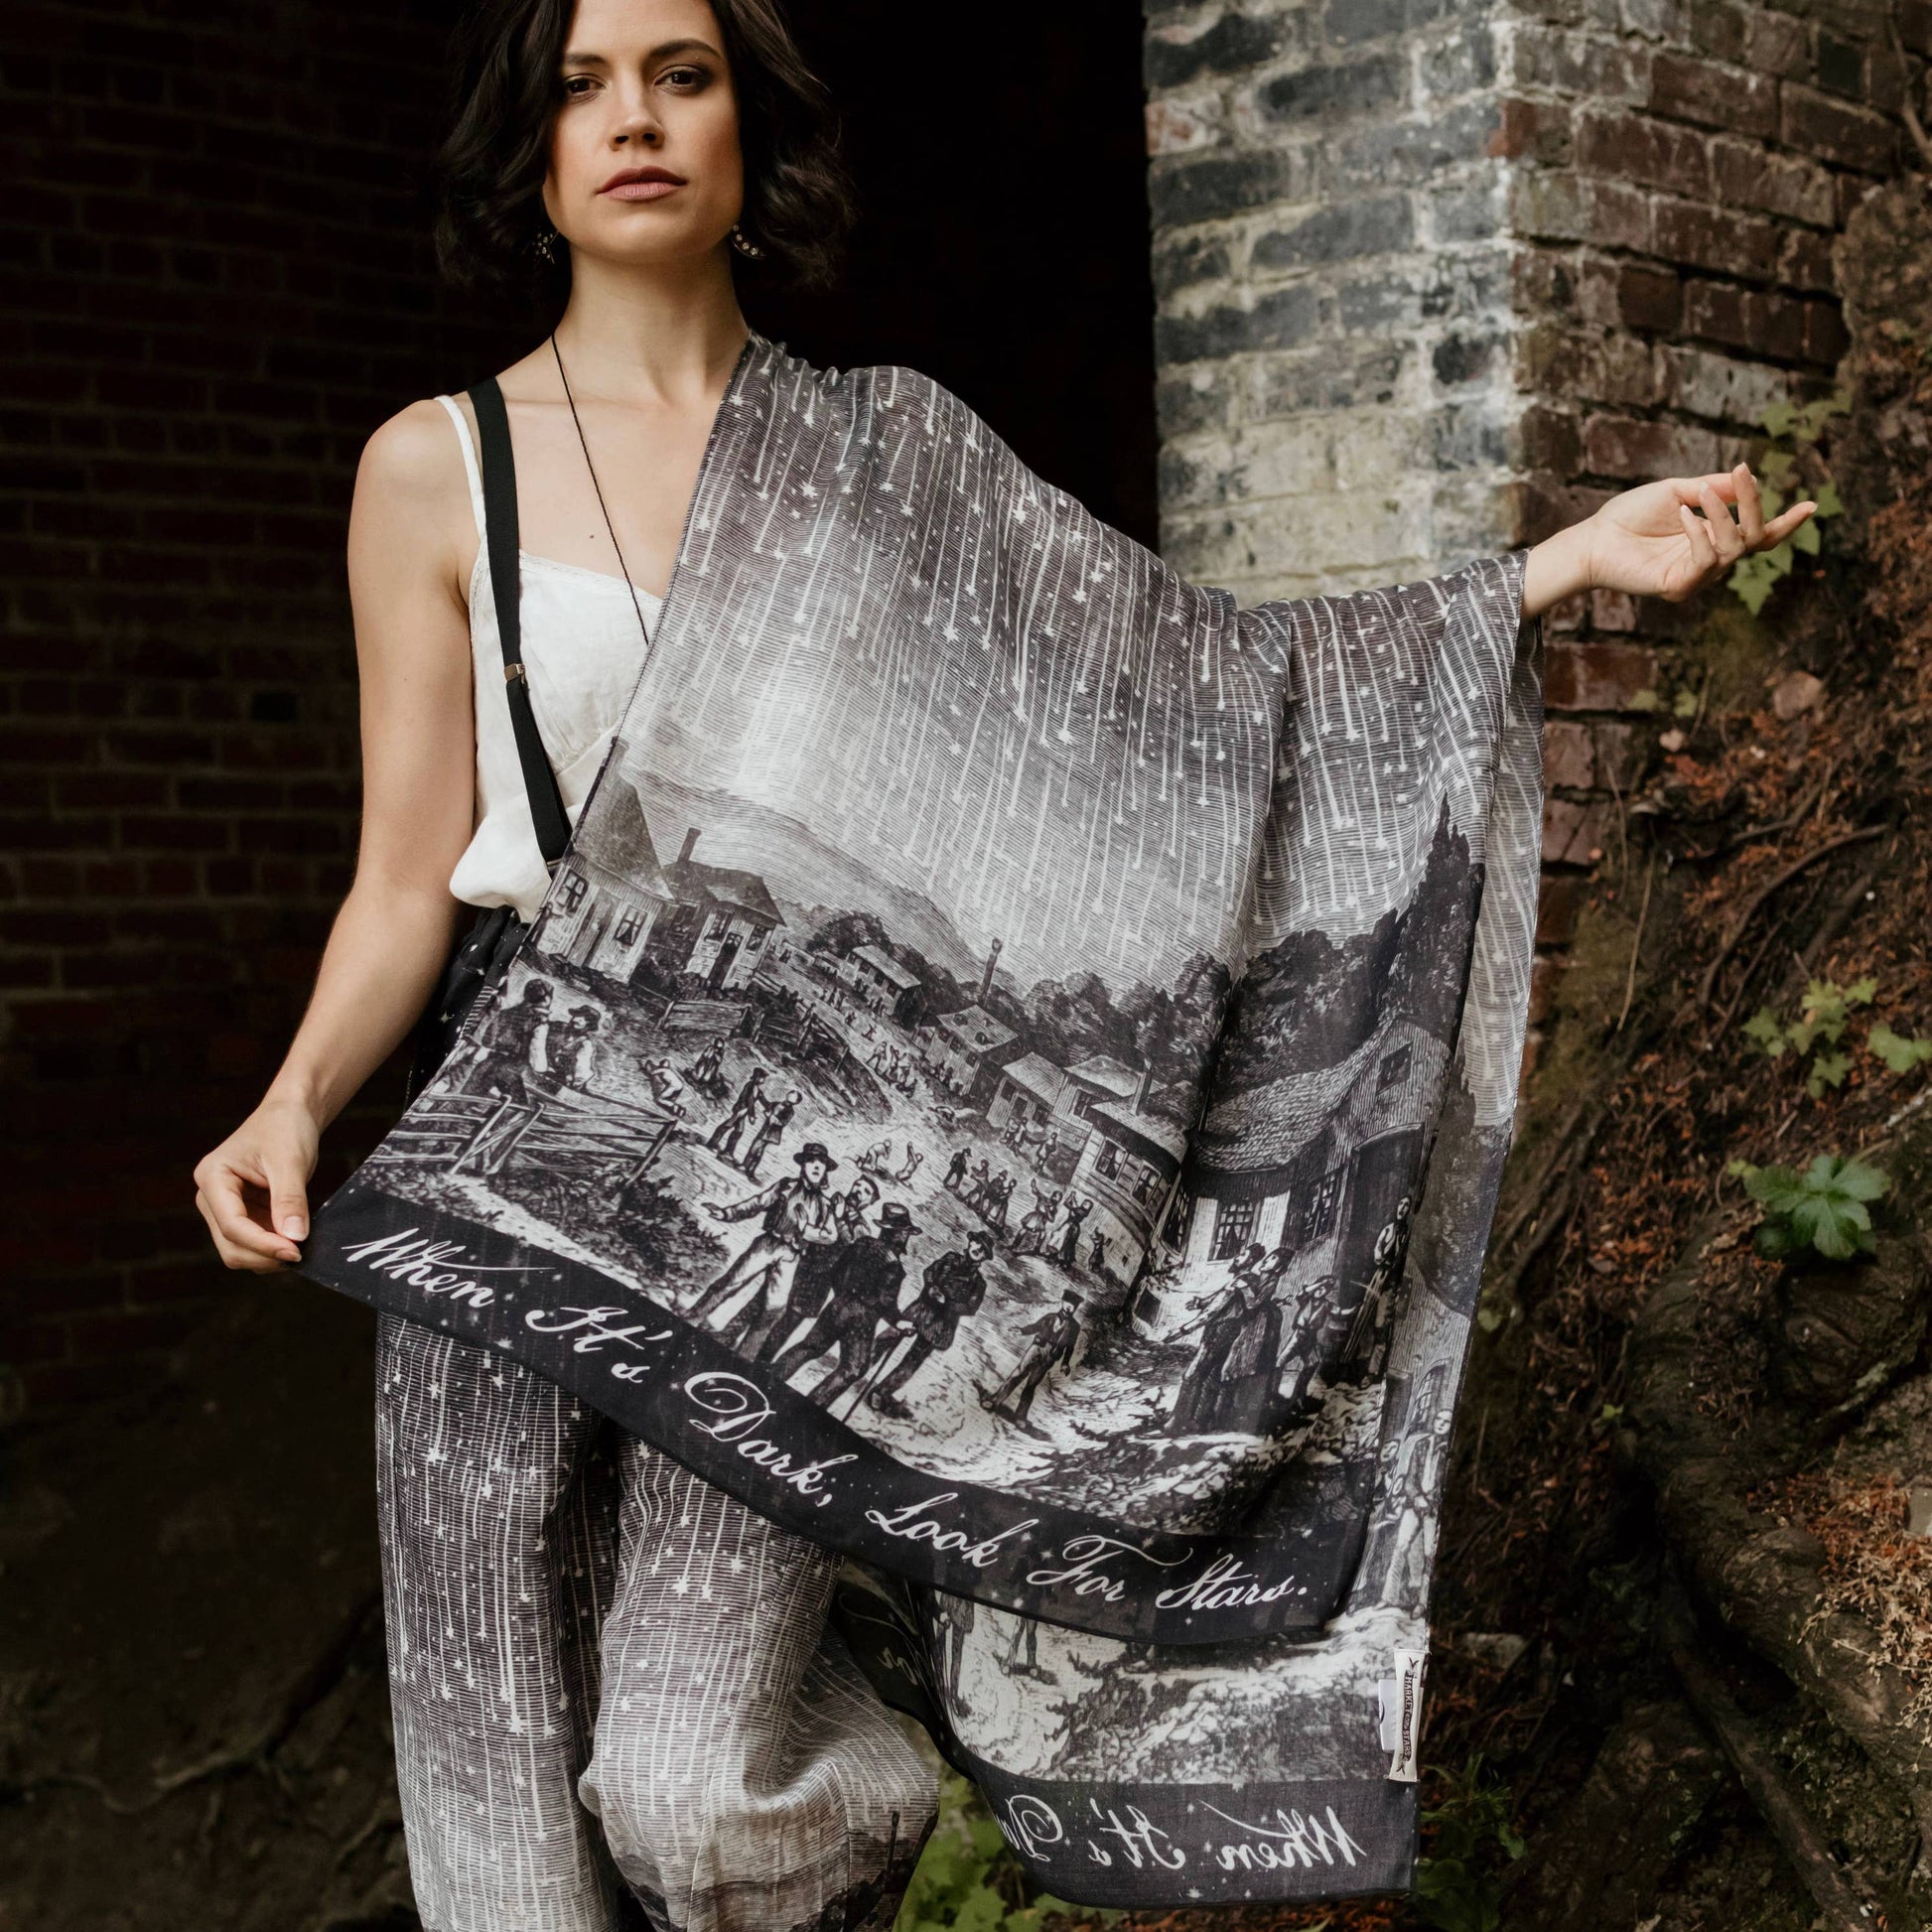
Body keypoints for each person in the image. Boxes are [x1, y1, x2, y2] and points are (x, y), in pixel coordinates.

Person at [185, 0, 1818, 1920]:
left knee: (696, 1786)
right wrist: (292, 1102)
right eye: (576, 84)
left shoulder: (885, 456)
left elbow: (1207, 693)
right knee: (497, 1793)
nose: (631, 120)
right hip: (509, 1156)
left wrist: (1542, 571)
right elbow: (402, 881)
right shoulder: (435, 468)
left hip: (783, 1185)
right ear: (524, 149)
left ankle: (883, 1681)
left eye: (681, 75)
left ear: (746, 125)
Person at [687, 1140, 840, 1347]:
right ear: (802, 1165)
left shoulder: (825, 1204)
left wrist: (807, 1231)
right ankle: (690, 1319)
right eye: (810, 1161)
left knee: (775, 1307)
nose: (816, 1166)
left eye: (820, 1163)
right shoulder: (786, 1186)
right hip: (769, 1243)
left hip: (791, 1254)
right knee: (731, 1282)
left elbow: (831, 1236)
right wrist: (727, 1213)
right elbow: (758, 1202)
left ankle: (746, 1354)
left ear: (825, 1170)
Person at [771, 1200, 916, 1407]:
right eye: (905, 1232)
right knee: (853, 1369)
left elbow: (837, 1272)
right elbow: (885, 1301)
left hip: (838, 1305)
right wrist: (898, 1321)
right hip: (862, 1319)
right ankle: (812, 1407)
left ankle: (769, 1380)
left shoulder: (861, 1244)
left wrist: (844, 1296)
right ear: (900, 1234)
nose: (906, 1236)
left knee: (809, 1346)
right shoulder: (893, 1264)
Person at [867, 1226, 994, 1420]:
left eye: (983, 1250)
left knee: (912, 1361)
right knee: (890, 1335)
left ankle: (881, 1392)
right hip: (922, 1308)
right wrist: (931, 1287)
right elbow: (929, 1271)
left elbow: (970, 1307)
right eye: (977, 1243)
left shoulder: (979, 1283)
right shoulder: (950, 1258)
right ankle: (859, 1365)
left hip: (941, 1324)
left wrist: (948, 1303)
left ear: (984, 1258)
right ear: (970, 1242)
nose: (978, 1250)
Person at [980, 1290, 1085, 1437]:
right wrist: (1022, 1331)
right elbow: (1035, 1327)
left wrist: (1065, 1363)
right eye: (1068, 1303)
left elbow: (1070, 1347)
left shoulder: (1074, 1327)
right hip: (1036, 1348)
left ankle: (1021, 1416)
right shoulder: (1050, 1317)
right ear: (1062, 1301)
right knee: (1018, 1373)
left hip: (1050, 1356)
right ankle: (995, 1400)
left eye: (1073, 1306)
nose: (1069, 1308)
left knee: (1031, 1384)